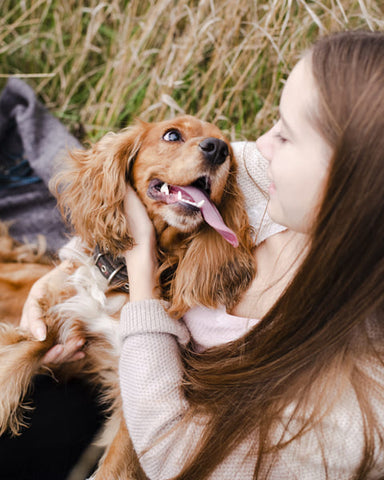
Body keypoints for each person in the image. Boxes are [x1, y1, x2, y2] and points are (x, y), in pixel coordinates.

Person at [22, 30, 384, 479]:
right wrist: (60, 276)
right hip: (104, 374)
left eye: (287, 136)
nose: (256, 145)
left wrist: (141, 270)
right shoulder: (257, 177)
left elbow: (172, 454)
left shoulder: (364, 412)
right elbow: (131, 192)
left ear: (356, 177)